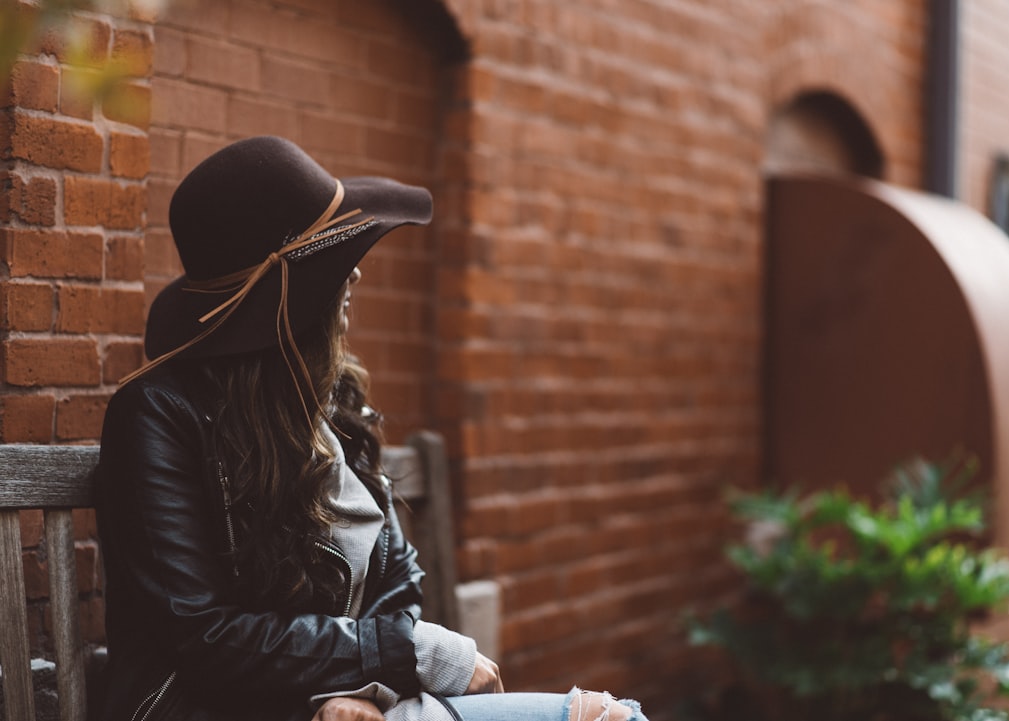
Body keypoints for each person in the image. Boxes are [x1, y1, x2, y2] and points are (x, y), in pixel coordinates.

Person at [93, 136, 649, 721]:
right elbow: (203, 634)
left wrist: (361, 687)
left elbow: (398, 581)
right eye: (333, 263)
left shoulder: (328, 409)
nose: (354, 274)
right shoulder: (156, 415)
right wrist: (399, 655)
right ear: (290, 297)